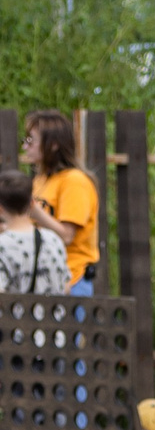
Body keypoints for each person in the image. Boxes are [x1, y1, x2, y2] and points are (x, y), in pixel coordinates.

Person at [23, 110, 98, 296]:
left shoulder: (74, 181)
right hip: (43, 280)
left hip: (71, 281)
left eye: (31, 140)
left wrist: (35, 212)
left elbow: (66, 236)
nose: (25, 146)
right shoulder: (40, 180)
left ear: (54, 145)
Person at [0, 168, 69, 294]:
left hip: (17, 313)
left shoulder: (3, 245)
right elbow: (66, 287)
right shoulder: (54, 239)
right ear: (32, 204)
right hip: (53, 312)